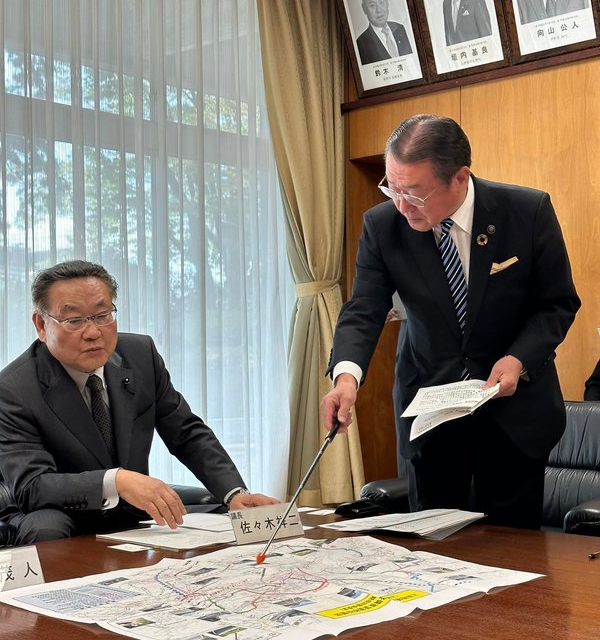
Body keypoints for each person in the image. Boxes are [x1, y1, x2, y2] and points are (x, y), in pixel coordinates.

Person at [320, 114, 580, 529]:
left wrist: (518, 359)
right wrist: (346, 377)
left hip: (513, 415)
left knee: (515, 558)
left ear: (460, 177)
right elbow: (364, 307)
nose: (402, 205)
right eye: (392, 188)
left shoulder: (526, 211)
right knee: (432, 556)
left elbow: (557, 303)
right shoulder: (383, 225)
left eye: (416, 194)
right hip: (431, 418)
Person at [0, 260, 278, 547]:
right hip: (62, 513)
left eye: (102, 315)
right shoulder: (14, 388)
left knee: (220, 514)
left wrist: (235, 493)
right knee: (46, 527)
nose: (93, 332)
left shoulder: (140, 355)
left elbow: (186, 432)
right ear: (41, 325)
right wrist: (115, 481)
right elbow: (32, 486)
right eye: (74, 320)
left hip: (131, 511)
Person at [356, 0, 412, 66]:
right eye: (372, 5)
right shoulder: (361, 43)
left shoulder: (400, 28)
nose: (379, 10)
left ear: (387, 1)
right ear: (364, 8)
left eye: (381, 2)